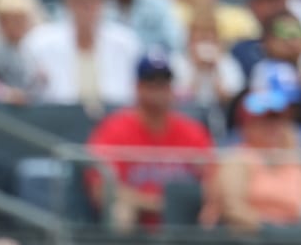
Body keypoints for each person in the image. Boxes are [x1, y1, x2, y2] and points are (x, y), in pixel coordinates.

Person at [85, 53, 213, 228]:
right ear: (138, 86)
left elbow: (213, 178)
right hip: (139, 221)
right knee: (121, 212)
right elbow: (101, 189)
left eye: (164, 83)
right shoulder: (115, 128)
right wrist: (153, 204)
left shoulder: (191, 130)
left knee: (213, 211)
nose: (158, 90)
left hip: (184, 219)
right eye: (152, 82)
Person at [205, 86, 301, 231]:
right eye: (264, 120)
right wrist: (271, 231)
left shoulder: (292, 160)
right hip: (246, 242)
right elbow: (233, 209)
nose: (272, 127)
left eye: (277, 119)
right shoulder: (236, 158)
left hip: (293, 239)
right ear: (247, 124)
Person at [22, 0, 140, 113]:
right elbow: (29, 94)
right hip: (58, 122)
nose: (87, 6)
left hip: (113, 121)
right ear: (67, 1)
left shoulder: (126, 42)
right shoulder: (39, 42)